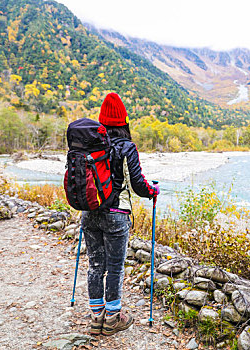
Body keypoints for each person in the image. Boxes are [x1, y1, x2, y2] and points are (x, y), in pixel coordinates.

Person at [81, 92, 159, 336]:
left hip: (90, 212)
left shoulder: (89, 142)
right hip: (116, 215)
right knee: (115, 267)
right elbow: (137, 184)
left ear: (102, 120)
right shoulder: (127, 146)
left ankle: (96, 318)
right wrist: (152, 191)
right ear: (124, 120)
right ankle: (113, 317)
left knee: (95, 264)